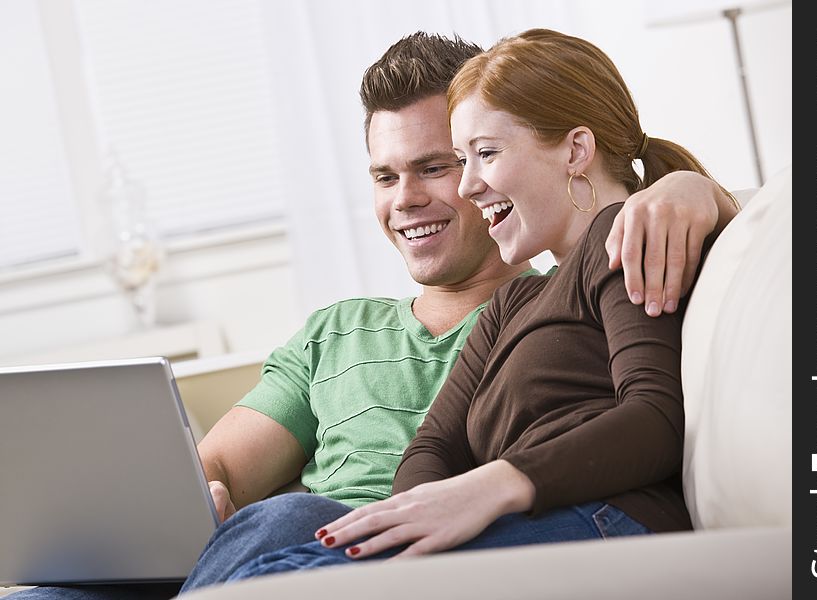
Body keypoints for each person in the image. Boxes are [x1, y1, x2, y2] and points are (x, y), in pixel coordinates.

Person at [9, 32, 735, 600]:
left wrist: (698, 191)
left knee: (284, 522)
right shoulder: (354, 330)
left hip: (365, 535)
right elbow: (223, 467)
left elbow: (650, 403)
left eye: (442, 164)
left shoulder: (616, 250)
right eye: (386, 177)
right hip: (290, 544)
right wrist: (182, 504)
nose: (408, 198)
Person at [219, 28, 736, 580]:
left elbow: (656, 418)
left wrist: (484, 490)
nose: (468, 185)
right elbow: (432, 445)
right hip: (522, 523)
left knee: (272, 557)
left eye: (480, 156)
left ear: (576, 151)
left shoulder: (621, 236)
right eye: (460, 160)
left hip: (599, 524)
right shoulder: (515, 304)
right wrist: (419, 518)